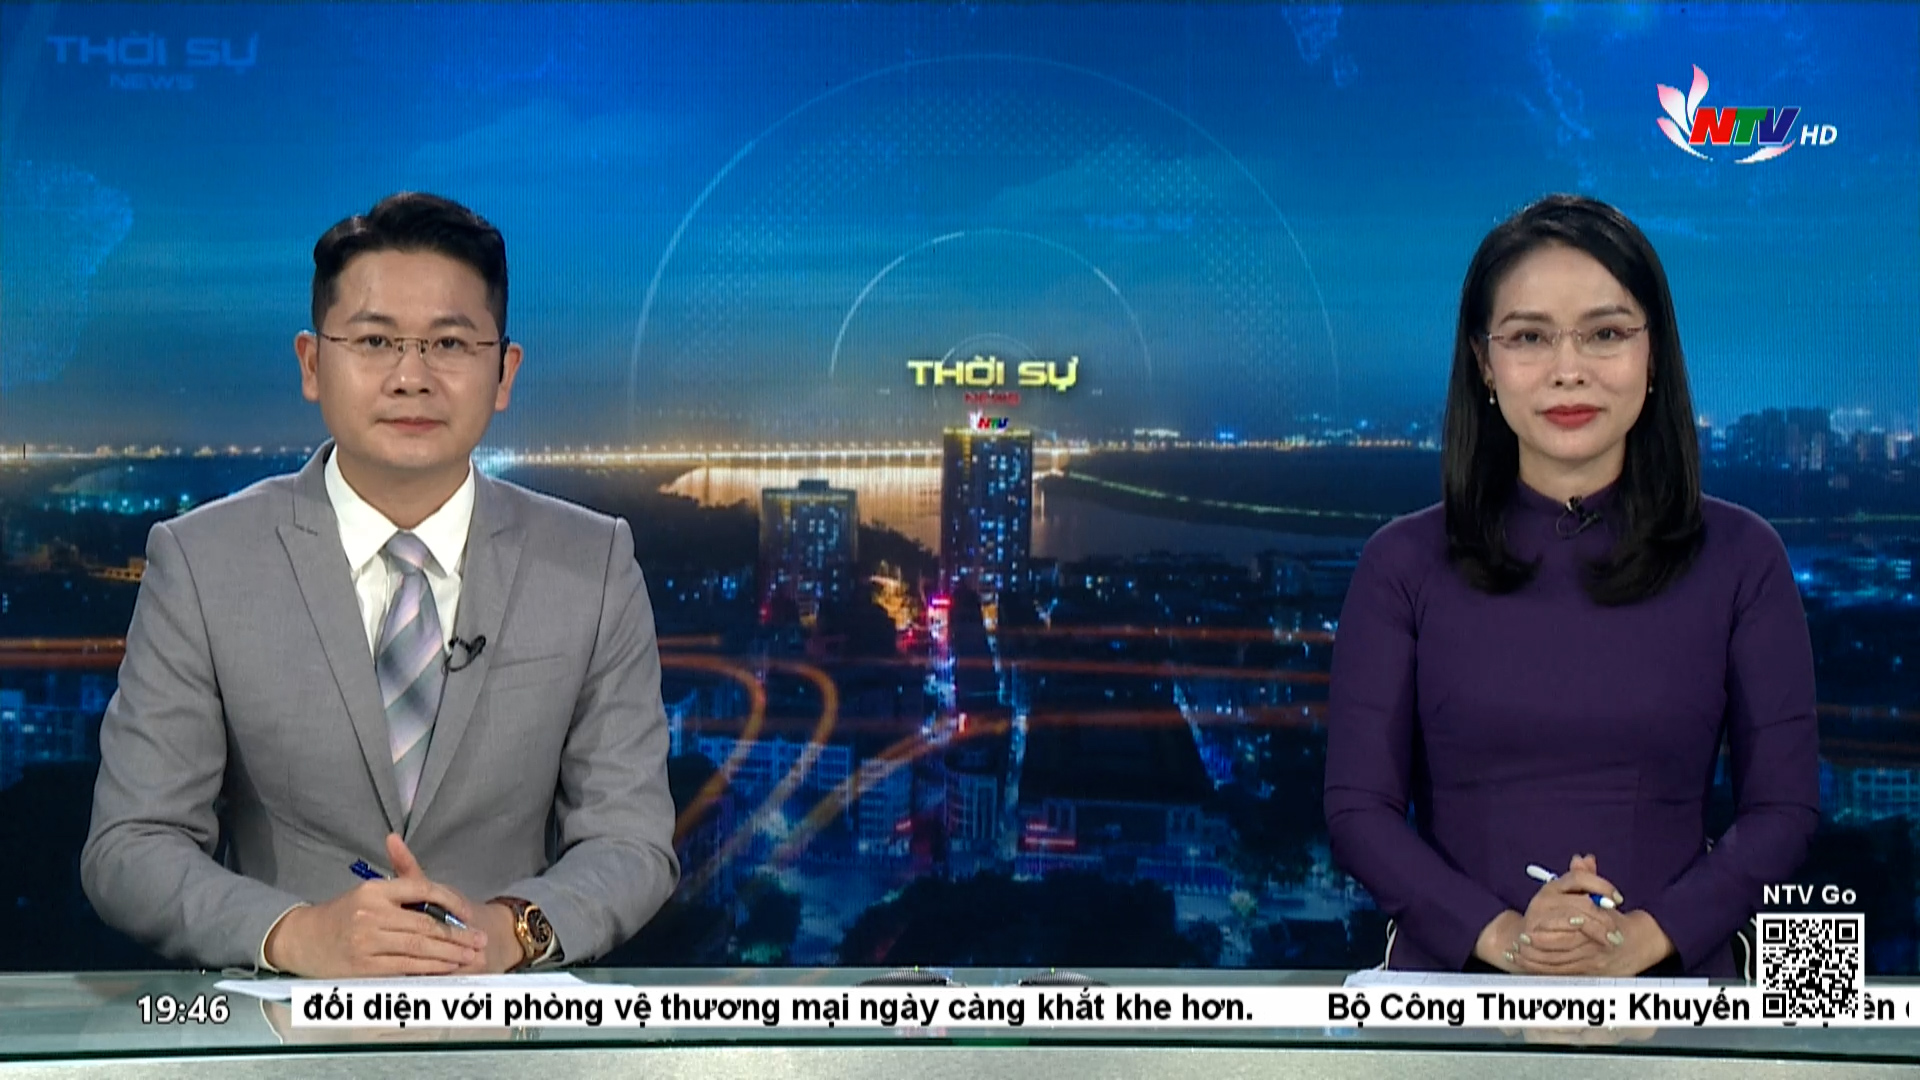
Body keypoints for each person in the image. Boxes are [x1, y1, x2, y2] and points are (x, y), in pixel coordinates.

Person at [82, 192, 679, 976]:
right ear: (311, 363)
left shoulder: (592, 564)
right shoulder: (202, 562)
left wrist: (507, 931)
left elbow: (631, 842)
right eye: (374, 341)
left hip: (507, 1023)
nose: (411, 377)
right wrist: (300, 936)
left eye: (450, 344)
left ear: (504, 372)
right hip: (281, 1023)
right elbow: (131, 846)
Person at [1324, 194, 1819, 978]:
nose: (1568, 370)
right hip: (1450, 1000)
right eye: (1529, 337)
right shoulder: (1402, 564)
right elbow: (1358, 812)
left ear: (1653, 355)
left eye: (1606, 333)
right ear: (1484, 362)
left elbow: (1783, 812)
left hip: (1675, 998)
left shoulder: (1742, 556)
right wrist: (1509, 940)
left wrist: (1638, 940)